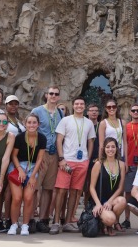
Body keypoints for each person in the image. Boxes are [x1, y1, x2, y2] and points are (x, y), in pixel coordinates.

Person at [50, 96, 96, 234]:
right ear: (73, 105)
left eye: (82, 104)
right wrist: (61, 158)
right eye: (77, 104)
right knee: (61, 190)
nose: (79, 106)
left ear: (85, 106)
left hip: (82, 161)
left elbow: (91, 142)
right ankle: (57, 221)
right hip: (67, 159)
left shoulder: (88, 123)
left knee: (75, 192)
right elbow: (59, 140)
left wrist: (87, 159)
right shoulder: (65, 120)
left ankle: (69, 221)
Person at [31, 86, 64, 233]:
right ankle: (30, 218)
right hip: (40, 152)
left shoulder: (61, 113)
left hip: (54, 154)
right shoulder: (37, 111)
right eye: (51, 93)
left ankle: (43, 219)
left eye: (56, 94)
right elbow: (31, 130)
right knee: (35, 187)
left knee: (48, 188)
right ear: (46, 95)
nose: (53, 96)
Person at [7, 114, 47, 236]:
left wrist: (33, 176)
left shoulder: (42, 138)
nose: (31, 125)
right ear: (25, 124)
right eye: (29, 122)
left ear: (38, 124)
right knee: (17, 197)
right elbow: (13, 155)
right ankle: (14, 224)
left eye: (34, 122)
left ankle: (25, 225)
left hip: (32, 168)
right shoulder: (19, 137)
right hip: (17, 167)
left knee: (29, 198)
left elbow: (40, 159)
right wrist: (19, 170)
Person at [0, 94, 25, 232]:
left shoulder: (18, 121)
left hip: (15, 159)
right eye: (10, 104)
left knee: (10, 191)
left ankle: (8, 218)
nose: (13, 106)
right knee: (1, 189)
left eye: (15, 104)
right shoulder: (2, 120)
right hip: (3, 157)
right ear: (5, 105)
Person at [89, 137, 127, 235]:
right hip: (100, 201)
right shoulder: (98, 164)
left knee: (122, 201)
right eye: (108, 147)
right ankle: (106, 222)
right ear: (104, 149)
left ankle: (108, 225)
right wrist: (98, 204)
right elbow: (91, 187)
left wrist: (110, 202)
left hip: (112, 200)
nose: (110, 149)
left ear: (117, 149)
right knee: (110, 219)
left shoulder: (121, 165)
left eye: (113, 147)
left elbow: (120, 188)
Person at [121, 104, 138, 229]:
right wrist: (125, 161)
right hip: (130, 162)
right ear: (130, 112)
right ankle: (127, 219)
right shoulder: (126, 127)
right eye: (133, 110)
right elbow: (124, 144)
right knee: (128, 192)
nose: (135, 112)